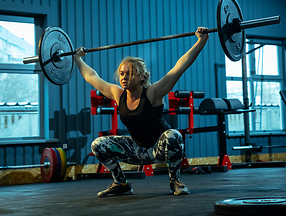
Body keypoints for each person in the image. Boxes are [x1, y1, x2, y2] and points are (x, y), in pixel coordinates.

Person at [74, 27, 209, 197]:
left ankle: (175, 181)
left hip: (159, 148)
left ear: (141, 77)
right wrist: (77, 59)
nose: (124, 77)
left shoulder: (153, 93)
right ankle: (121, 183)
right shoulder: (118, 94)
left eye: (129, 73)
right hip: (137, 149)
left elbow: (179, 67)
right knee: (98, 144)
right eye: (122, 73)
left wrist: (201, 41)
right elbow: (91, 77)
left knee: (174, 135)